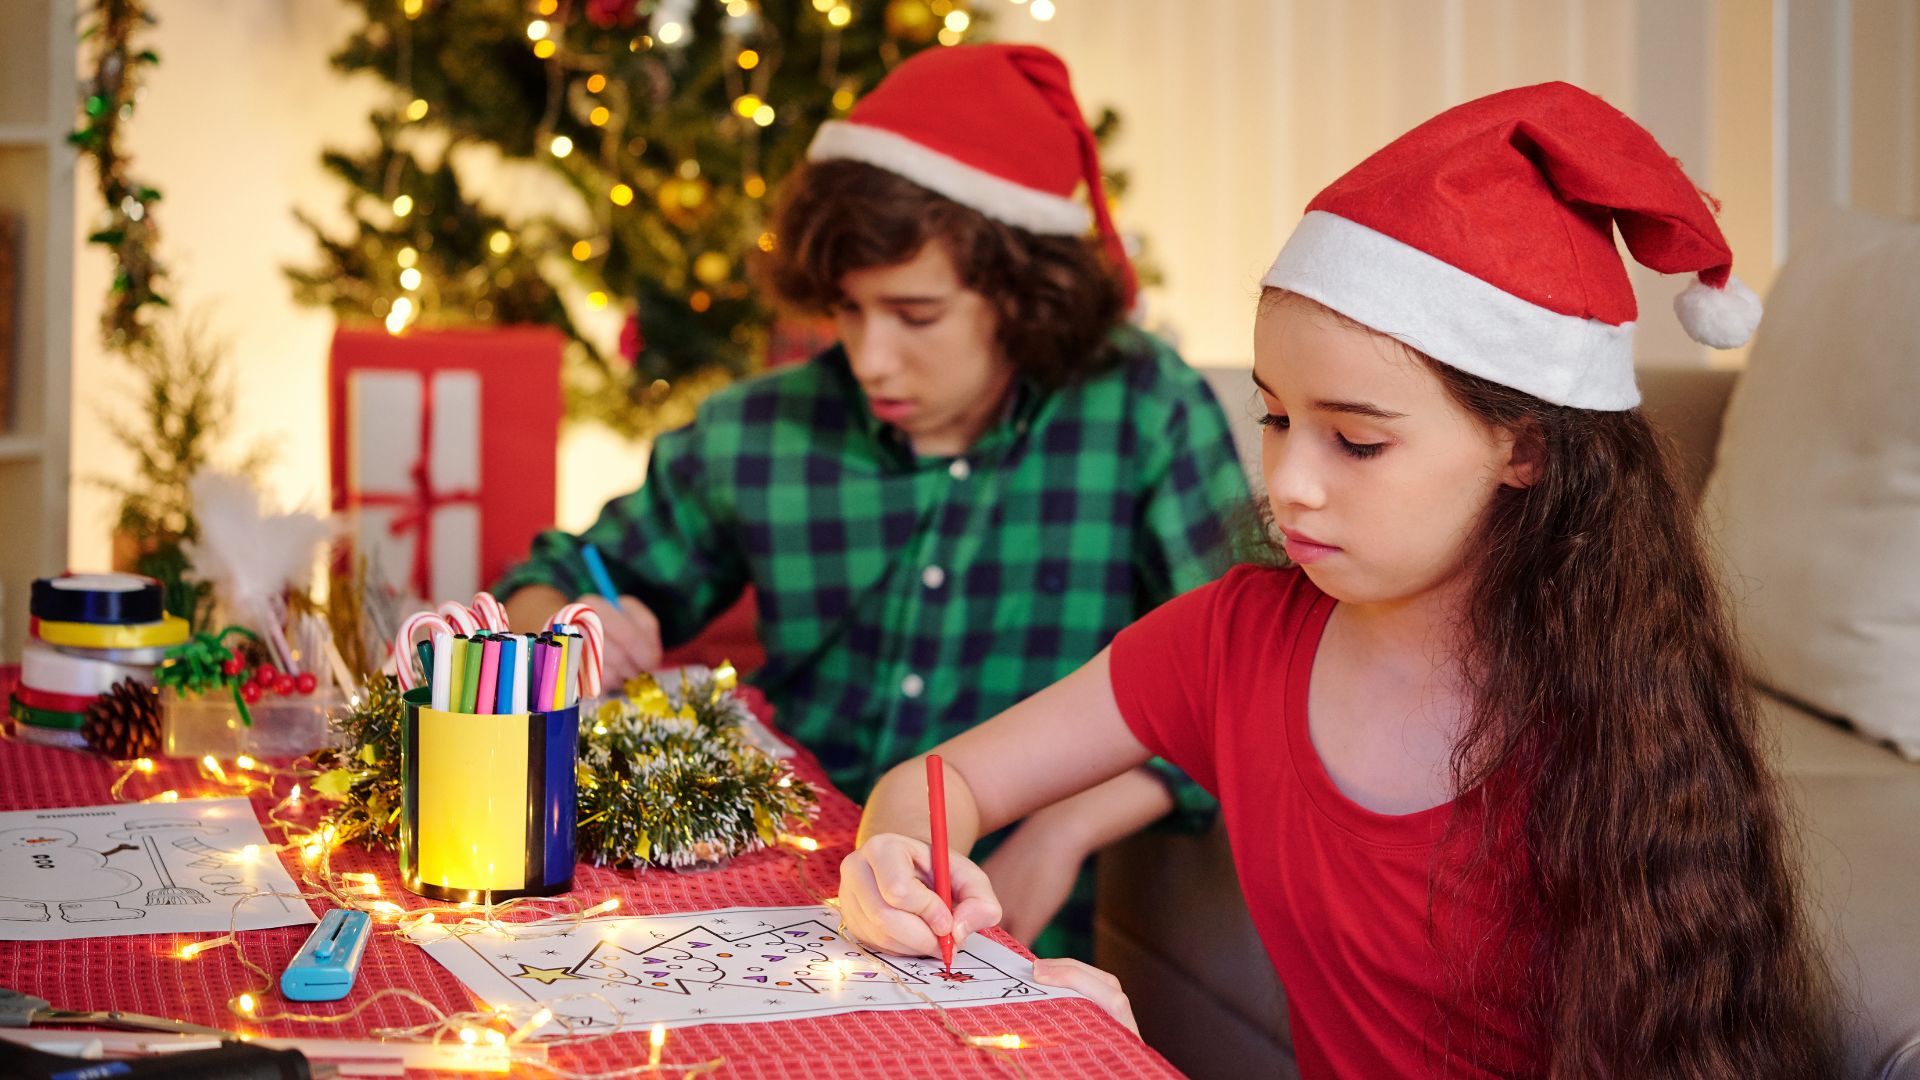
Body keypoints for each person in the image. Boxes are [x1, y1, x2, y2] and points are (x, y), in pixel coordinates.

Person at [838, 82, 1836, 1077]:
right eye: (1275, 418)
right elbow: (946, 779)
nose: (1292, 484)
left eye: (1356, 442)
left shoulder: (1609, 717)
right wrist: (900, 857)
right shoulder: (1234, 639)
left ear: (1525, 449)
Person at [495, 44, 1252, 961]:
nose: (869, 359)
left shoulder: (1142, 410)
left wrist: (1060, 832)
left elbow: (1243, 681)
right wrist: (568, 626)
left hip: (991, 927)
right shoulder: (762, 429)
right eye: (848, 311)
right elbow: (553, 579)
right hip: (775, 900)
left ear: (1022, 293)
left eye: (915, 314)